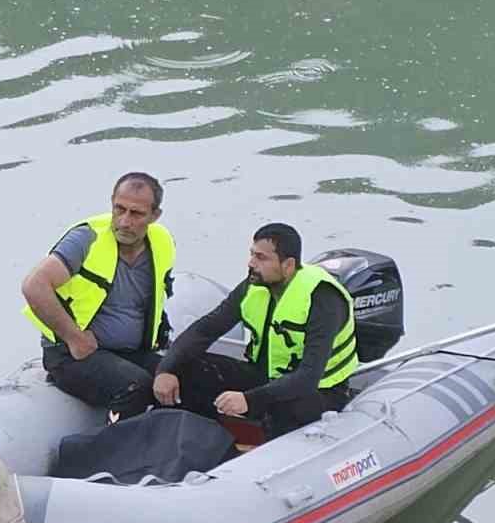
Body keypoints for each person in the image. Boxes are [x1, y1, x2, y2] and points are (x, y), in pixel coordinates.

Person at [153, 223, 357, 438]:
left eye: (261, 258)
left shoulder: (323, 299)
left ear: (288, 265)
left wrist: (248, 400)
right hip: (267, 377)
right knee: (188, 369)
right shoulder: (253, 286)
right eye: (252, 255)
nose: (251, 263)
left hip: (321, 391)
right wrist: (166, 369)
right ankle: (195, 444)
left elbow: (308, 377)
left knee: (284, 408)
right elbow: (205, 330)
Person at [20, 172, 176, 420]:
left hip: (132, 352)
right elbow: (34, 285)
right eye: (119, 209)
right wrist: (74, 338)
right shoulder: (86, 239)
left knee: (179, 376)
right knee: (136, 386)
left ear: (155, 216)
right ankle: (109, 451)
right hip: (73, 355)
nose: (125, 222)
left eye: (136, 214)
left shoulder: (162, 243)